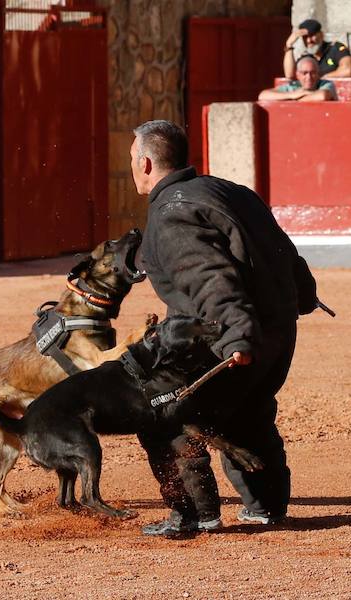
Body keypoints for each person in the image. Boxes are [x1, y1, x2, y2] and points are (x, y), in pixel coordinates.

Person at [130, 120, 302, 537]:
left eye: (132, 161)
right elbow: (279, 247)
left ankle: (194, 514)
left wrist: (237, 337)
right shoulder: (226, 191)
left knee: (165, 414)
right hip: (277, 327)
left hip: (226, 333)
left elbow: (211, 279)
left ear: (147, 163)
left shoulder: (171, 213)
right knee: (247, 414)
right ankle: (265, 508)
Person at [283, 18, 351, 80]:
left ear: (321, 34)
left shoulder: (335, 48)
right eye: (305, 37)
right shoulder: (306, 57)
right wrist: (289, 45)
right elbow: (290, 75)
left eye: (311, 36)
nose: (309, 41)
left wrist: (322, 78)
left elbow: (348, 70)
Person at [258, 55, 337, 101]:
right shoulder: (294, 86)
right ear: (297, 75)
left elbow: (322, 96)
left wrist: (296, 98)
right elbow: (263, 95)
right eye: (304, 73)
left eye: (312, 73)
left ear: (318, 74)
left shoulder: (325, 84)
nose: (308, 77)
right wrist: (292, 95)